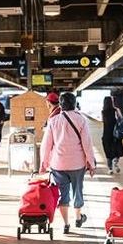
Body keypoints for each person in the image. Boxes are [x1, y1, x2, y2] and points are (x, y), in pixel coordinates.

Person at [40, 92, 96, 234]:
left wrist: (43, 163)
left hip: (58, 164)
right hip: (77, 164)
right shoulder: (81, 120)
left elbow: (47, 145)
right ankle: (78, 218)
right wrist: (91, 163)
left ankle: (66, 224)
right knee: (77, 191)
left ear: (61, 104)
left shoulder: (53, 121)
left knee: (63, 195)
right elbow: (87, 144)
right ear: (74, 103)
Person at [101, 96, 123, 173]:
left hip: (106, 134)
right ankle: (116, 162)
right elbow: (121, 119)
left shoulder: (103, 111)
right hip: (115, 134)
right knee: (117, 150)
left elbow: (103, 121)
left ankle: (110, 169)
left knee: (108, 152)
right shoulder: (116, 110)